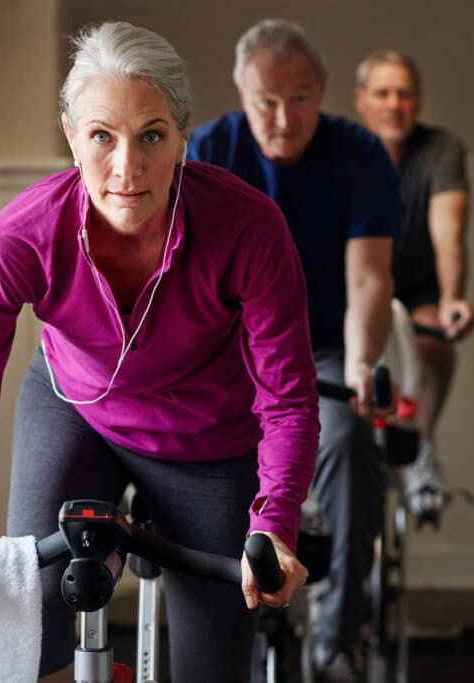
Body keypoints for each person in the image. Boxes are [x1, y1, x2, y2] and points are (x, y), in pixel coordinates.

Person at [0, 21, 318, 683]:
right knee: (29, 628)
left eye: (151, 135)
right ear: (71, 134)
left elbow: (289, 400)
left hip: (208, 440)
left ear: (184, 136)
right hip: (75, 408)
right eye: (101, 136)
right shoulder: (17, 238)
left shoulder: (250, 228)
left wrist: (276, 521)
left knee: (215, 662)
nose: (127, 169)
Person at [189, 19, 400, 681]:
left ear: (324, 91)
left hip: (326, 350)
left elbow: (369, 276)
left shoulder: (359, 153)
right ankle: (231, 634)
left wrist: (363, 364)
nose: (284, 118)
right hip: (232, 356)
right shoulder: (208, 150)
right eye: (266, 102)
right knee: (214, 452)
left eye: (301, 98)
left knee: (348, 436)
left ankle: (338, 633)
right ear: (241, 95)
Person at [354, 50, 474, 516]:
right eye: (382, 93)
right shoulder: (344, 148)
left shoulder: (442, 149)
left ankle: (421, 450)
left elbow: (449, 234)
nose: (393, 103)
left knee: (435, 343)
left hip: (419, 288)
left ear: (418, 101)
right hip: (357, 287)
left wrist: (452, 301)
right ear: (362, 101)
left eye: (404, 94)